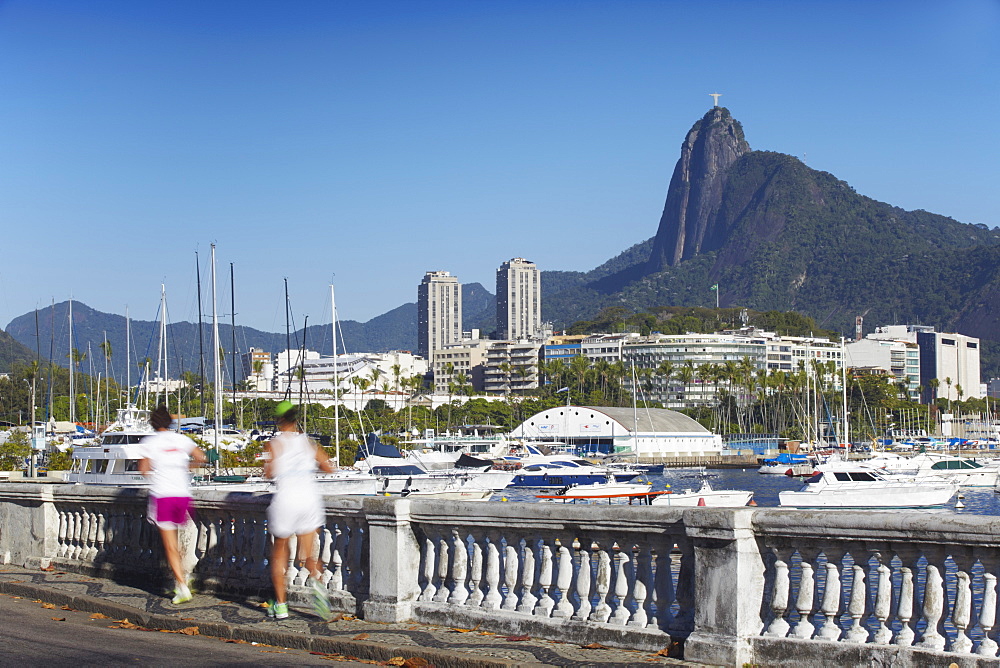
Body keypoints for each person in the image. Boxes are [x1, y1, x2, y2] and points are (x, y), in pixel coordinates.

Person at [264, 400, 336, 620]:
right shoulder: (308, 443)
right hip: (308, 499)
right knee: (309, 554)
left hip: (286, 500)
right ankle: (317, 583)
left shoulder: (274, 443)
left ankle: (281, 606)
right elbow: (328, 467)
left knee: (280, 553)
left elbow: (269, 473)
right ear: (296, 420)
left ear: (278, 421)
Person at [138, 404, 207, 604]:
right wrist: (185, 465)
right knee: (178, 540)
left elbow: (143, 469)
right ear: (169, 422)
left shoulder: (150, 442)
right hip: (182, 495)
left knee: (170, 545)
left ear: (152, 423)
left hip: (163, 495)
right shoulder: (181, 439)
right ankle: (181, 580)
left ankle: (182, 585)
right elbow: (201, 457)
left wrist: (156, 470)